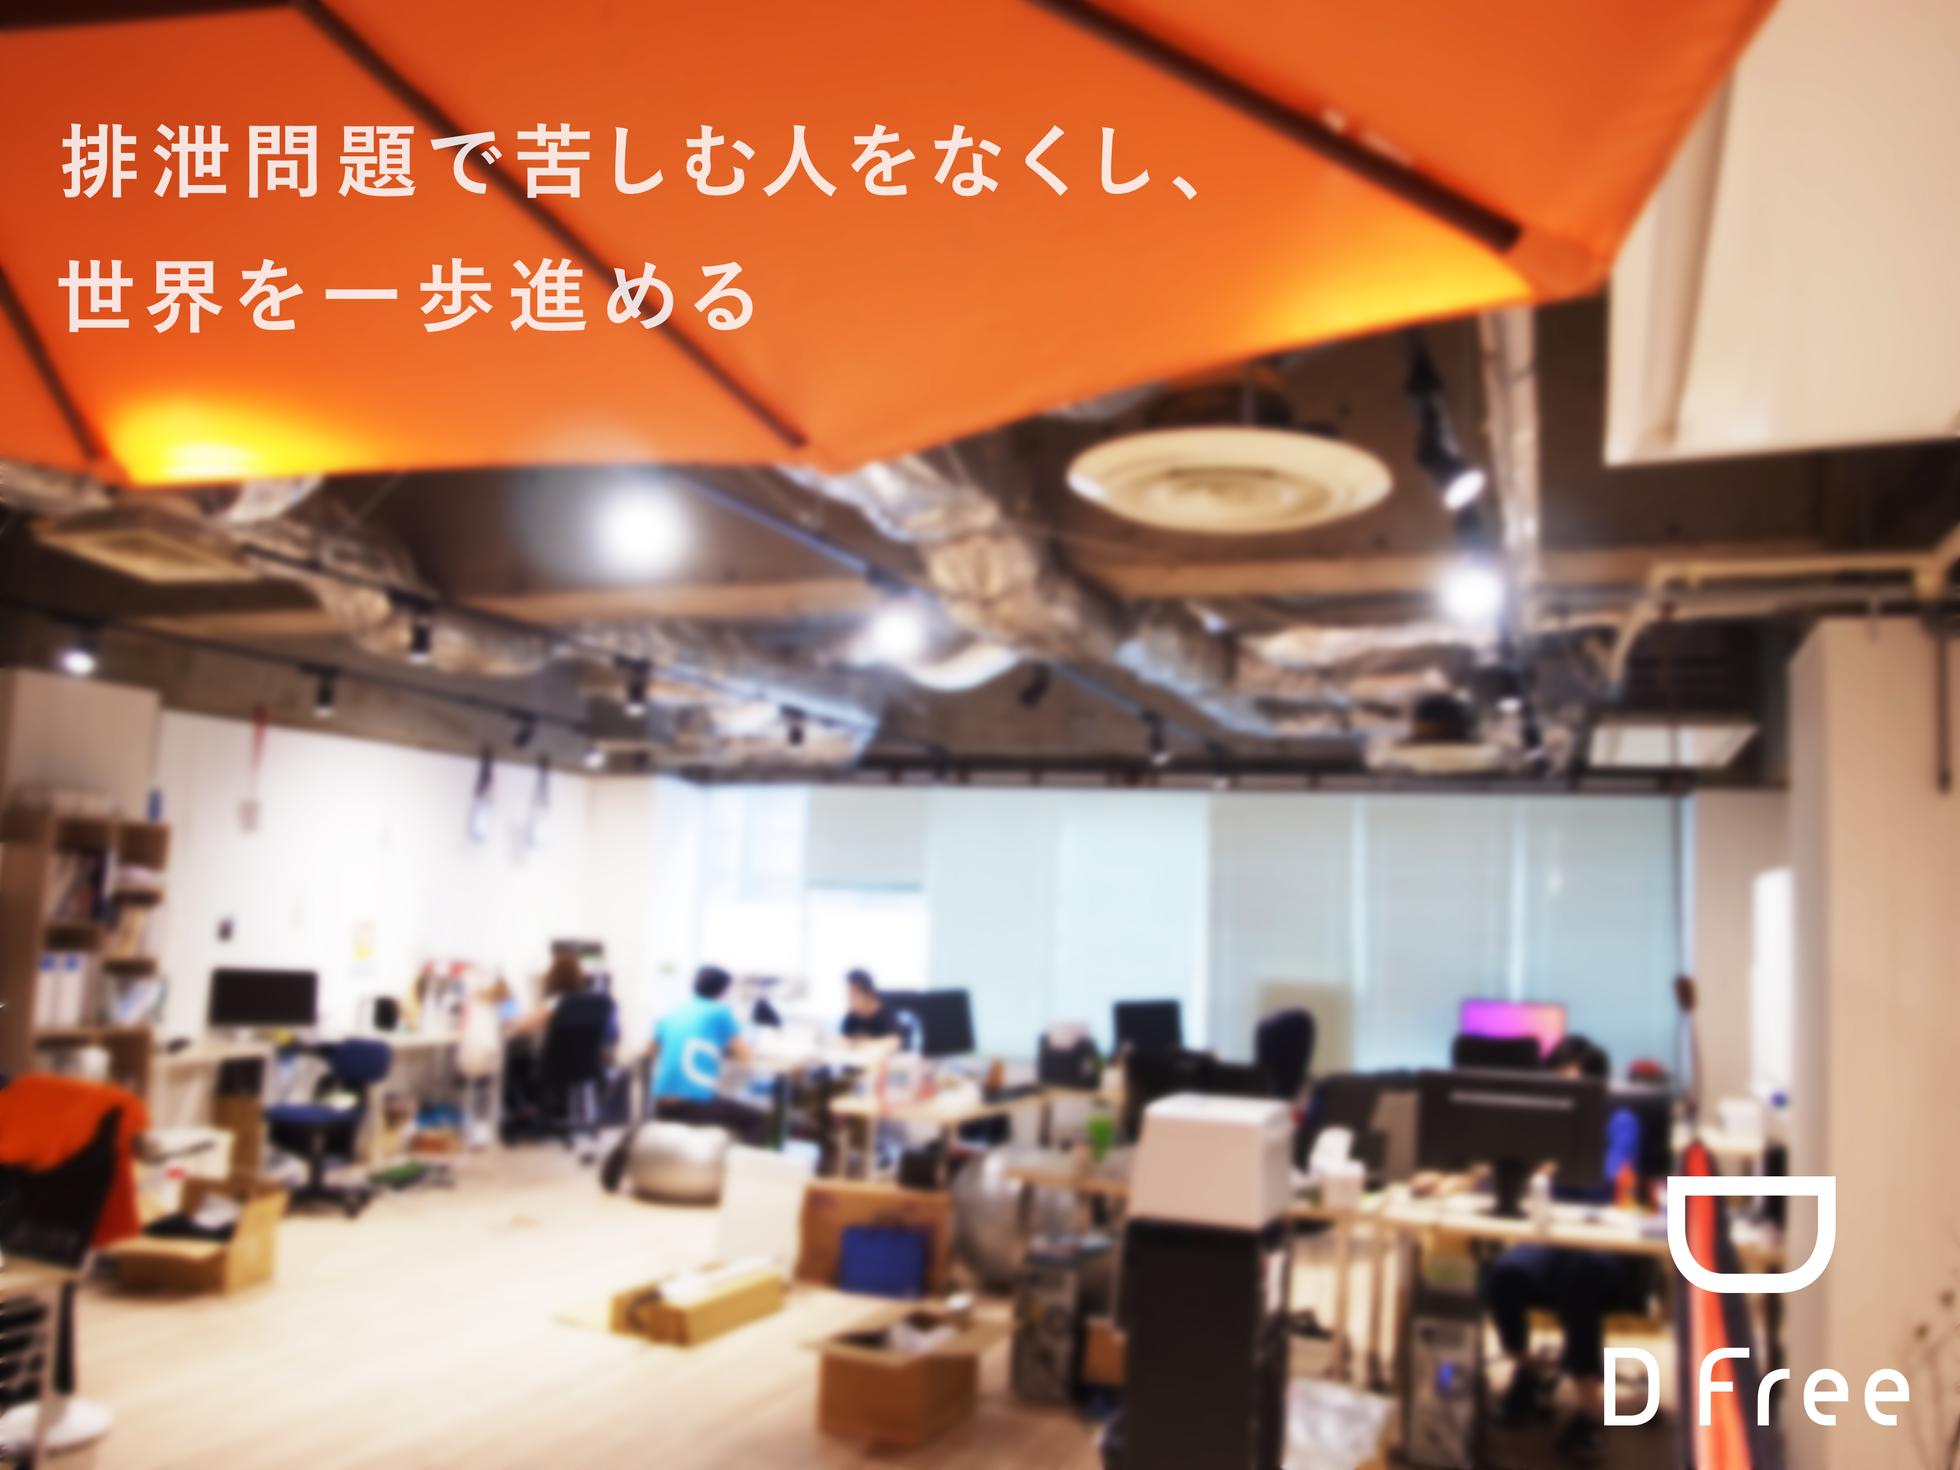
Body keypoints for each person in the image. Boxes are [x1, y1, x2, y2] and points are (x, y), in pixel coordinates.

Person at [1481, 1035, 1647, 1465]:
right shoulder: (1546, 1122)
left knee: (1580, 1279)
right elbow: (1510, 1167)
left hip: (1603, 1242)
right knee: (1505, 1275)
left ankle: (1589, 1411)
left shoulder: (1620, 1120)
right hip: (1551, 1237)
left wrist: (1554, 1162)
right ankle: (1528, 1373)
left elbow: (1608, 1181)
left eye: (1568, 1085)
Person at [839, 968, 897, 1041]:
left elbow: (894, 1040)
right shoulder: (852, 1015)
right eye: (848, 994)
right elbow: (844, 1038)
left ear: (868, 994)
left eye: (854, 995)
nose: (849, 999)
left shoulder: (884, 1013)